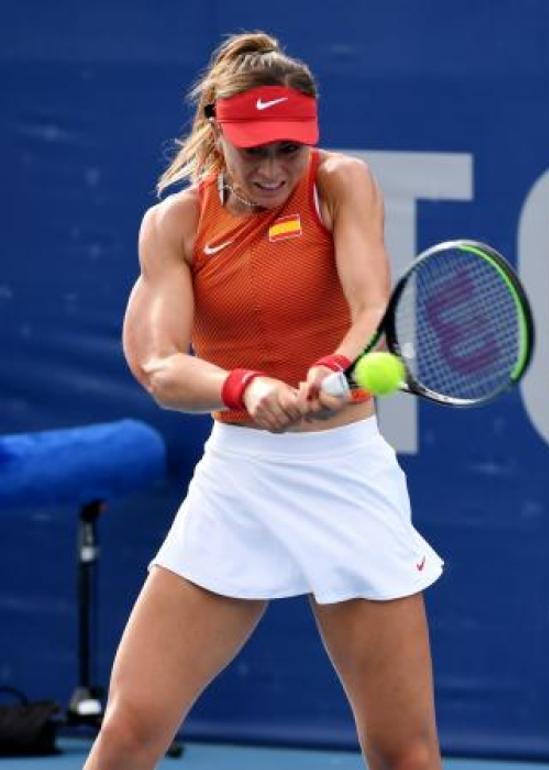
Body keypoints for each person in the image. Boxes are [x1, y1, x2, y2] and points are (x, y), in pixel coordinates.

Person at [87, 31, 444, 770]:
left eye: (291, 147)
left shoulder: (342, 181)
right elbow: (159, 366)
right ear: (219, 132)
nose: (277, 168)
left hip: (345, 472)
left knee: (404, 754)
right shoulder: (174, 226)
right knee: (128, 733)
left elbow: (373, 302)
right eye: (257, 151)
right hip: (238, 480)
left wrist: (337, 365)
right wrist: (246, 386)